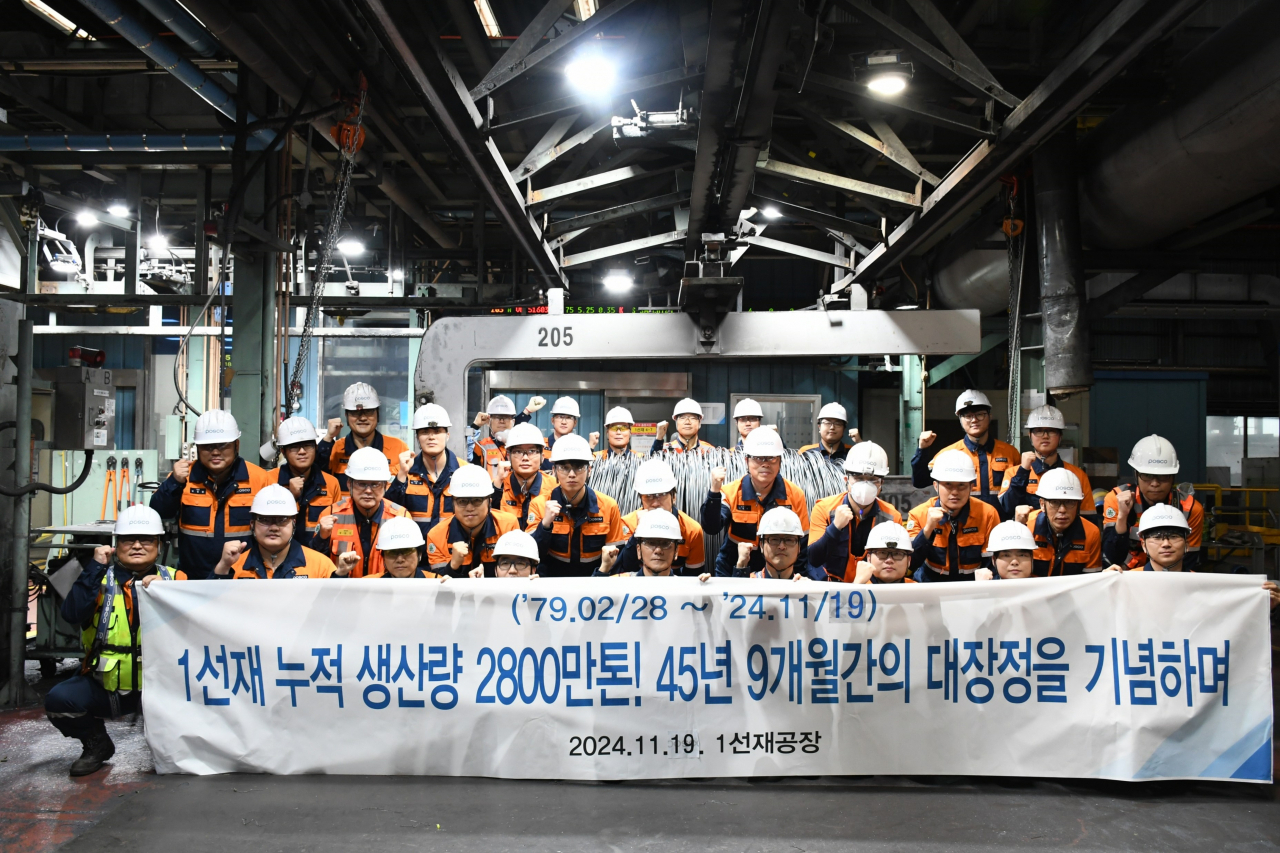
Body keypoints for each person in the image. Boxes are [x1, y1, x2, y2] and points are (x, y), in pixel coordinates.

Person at [44, 506, 183, 777]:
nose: (138, 546)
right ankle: (96, 744)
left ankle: (178, 744)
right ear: (115, 543)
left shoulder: (176, 579)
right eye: (128, 539)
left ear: (159, 544)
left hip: (161, 689)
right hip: (106, 686)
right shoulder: (96, 579)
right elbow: (72, 613)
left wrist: (168, 593)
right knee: (60, 700)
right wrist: (94, 568)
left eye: (147, 539)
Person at [150, 408, 273, 579]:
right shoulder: (182, 479)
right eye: (207, 446)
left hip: (244, 576)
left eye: (223, 445)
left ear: (236, 445)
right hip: (193, 578)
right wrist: (174, 483)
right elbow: (158, 514)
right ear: (198, 448)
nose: (215, 452)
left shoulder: (260, 479)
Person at [703, 428, 809, 577]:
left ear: (780, 461)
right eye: (758, 458)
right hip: (734, 569)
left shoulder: (795, 495)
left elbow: (802, 545)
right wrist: (714, 492)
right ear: (747, 461)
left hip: (776, 572)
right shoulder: (731, 492)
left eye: (771, 458)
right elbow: (711, 527)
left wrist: (797, 578)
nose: (765, 464)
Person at [526, 433, 625, 577]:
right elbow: (530, 556)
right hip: (551, 585)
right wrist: (545, 525)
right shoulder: (539, 505)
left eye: (578, 467)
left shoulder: (608, 506)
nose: (571, 474)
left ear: (589, 471)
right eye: (564, 468)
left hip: (595, 583)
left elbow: (617, 559)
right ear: (554, 471)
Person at [1102, 434, 1205, 571]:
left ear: (1173, 477)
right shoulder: (1116, 499)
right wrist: (1122, 517)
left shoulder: (1190, 509)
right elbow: (1112, 556)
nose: (1155, 483)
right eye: (1147, 475)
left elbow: (1188, 560)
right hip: (1127, 577)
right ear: (1136, 475)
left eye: (1163, 476)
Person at [911, 389, 1018, 518]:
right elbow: (920, 481)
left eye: (980, 414)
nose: (974, 420)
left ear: (989, 416)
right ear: (960, 420)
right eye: (967, 416)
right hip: (964, 526)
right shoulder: (948, 454)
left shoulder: (1010, 453)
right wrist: (922, 450)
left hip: (1001, 523)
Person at [808, 440, 903, 582]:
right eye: (858, 478)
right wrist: (835, 528)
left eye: (872, 479)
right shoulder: (824, 509)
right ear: (846, 479)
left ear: (881, 483)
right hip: (831, 588)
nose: (865, 484)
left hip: (872, 590)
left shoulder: (891, 517)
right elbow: (814, 558)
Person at [907, 448, 1000, 582]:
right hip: (930, 586)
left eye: (961, 485)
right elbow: (910, 563)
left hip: (973, 587)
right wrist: (927, 530)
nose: (955, 492)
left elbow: (992, 563)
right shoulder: (918, 514)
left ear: (971, 486)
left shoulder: (988, 514)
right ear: (935, 485)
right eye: (948, 485)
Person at [315, 446, 409, 578]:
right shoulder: (330, 514)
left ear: (385, 486)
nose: (368, 490)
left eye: (375, 484)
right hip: (341, 592)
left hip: (385, 594)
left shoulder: (401, 517)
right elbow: (316, 564)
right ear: (349, 484)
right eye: (361, 483)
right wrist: (322, 538)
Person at [212, 484, 339, 578]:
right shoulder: (234, 565)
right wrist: (223, 567)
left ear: (293, 524)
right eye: (264, 519)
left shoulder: (321, 566)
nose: (273, 527)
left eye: (282, 519)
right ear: (252, 524)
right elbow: (210, 606)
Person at [611, 458, 705, 575]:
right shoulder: (628, 524)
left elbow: (694, 580)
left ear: (673, 496)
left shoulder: (692, 530)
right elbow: (620, 570)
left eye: (661, 495)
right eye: (648, 496)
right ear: (640, 498)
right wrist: (637, 534)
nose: (655, 503)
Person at [387, 403, 468, 538]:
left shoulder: (464, 471)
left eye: (437, 431)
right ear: (417, 437)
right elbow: (388, 511)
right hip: (413, 552)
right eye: (425, 432)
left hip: (452, 552)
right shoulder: (403, 471)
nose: (431, 437)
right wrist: (401, 476)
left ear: (447, 435)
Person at [1000, 405, 1096, 518]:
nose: (1045, 436)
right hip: (1027, 534)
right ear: (1030, 435)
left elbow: (1088, 519)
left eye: (1051, 431)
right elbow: (1006, 508)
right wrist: (1023, 472)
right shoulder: (1013, 473)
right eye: (1039, 431)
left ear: (1060, 436)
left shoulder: (1077, 475)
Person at [425, 465, 521, 578]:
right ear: (453, 504)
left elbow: (518, 574)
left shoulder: (508, 526)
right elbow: (437, 586)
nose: (469, 508)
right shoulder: (437, 535)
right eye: (462, 501)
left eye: (477, 500)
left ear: (489, 502)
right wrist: (453, 565)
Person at [317, 382, 409, 496]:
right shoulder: (334, 448)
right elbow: (316, 477)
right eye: (356, 412)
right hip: (343, 513)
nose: (363, 418)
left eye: (369, 411)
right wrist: (328, 438)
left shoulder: (398, 448)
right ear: (346, 416)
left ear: (378, 414)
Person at [1013, 467, 1102, 576]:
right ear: (1042, 504)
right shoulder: (1026, 526)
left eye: (1069, 502)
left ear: (1078, 504)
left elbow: (1092, 582)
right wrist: (1017, 530)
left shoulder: (1091, 533)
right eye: (1054, 502)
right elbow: (1012, 576)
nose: (1062, 510)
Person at [272, 416, 339, 549]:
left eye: (307, 445)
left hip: (319, 558)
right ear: (283, 451)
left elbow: (336, 530)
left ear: (315, 447)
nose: (302, 451)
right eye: (294, 447)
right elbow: (266, 527)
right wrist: (290, 497)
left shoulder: (330, 484)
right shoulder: (269, 481)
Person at [490, 422, 557, 522]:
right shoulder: (500, 485)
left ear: (542, 457)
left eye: (532, 451)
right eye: (518, 451)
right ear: (508, 457)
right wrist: (497, 487)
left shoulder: (554, 487)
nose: (525, 458)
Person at [598, 509, 685, 577]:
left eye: (665, 543)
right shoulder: (620, 583)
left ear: (676, 551)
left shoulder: (688, 589)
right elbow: (591, 597)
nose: (658, 550)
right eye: (650, 542)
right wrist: (603, 570)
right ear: (638, 551)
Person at [470, 394, 541, 469]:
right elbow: (467, 454)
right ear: (488, 422)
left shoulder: (522, 444)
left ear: (513, 422)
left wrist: (527, 412)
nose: (502, 421)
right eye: (497, 417)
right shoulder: (481, 447)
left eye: (506, 417)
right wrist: (475, 426)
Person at [739, 507, 809, 581]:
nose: (782, 546)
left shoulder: (805, 587)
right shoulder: (749, 583)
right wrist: (740, 567)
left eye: (789, 540)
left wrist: (810, 590)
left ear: (799, 547)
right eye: (774, 539)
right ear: (761, 545)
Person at [364, 516, 444, 579]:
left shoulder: (436, 583)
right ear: (383, 557)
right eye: (392, 552)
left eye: (407, 551)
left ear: (419, 554)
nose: (400, 560)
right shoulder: (368, 586)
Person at [849, 521, 915, 584]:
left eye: (897, 554)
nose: (889, 560)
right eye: (882, 553)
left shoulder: (918, 591)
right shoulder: (858, 586)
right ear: (869, 558)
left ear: (909, 560)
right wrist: (856, 587)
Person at [974, 521, 1039, 581]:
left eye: (1022, 555)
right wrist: (981, 588)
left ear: (1031, 558)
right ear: (993, 560)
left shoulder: (1044, 589)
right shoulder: (986, 587)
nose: (1014, 562)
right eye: (1006, 555)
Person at [475, 529, 542, 578]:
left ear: (533, 570)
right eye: (505, 563)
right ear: (495, 570)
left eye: (520, 563)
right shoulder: (484, 595)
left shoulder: (545, 595)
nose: (512, 570)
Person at [543, 396, 585, 468]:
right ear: (552, 420)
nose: (564, 422)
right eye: (560, 417)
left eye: (569, 417)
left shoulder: (580, 446)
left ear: (575, 423)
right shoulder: (542, 445)